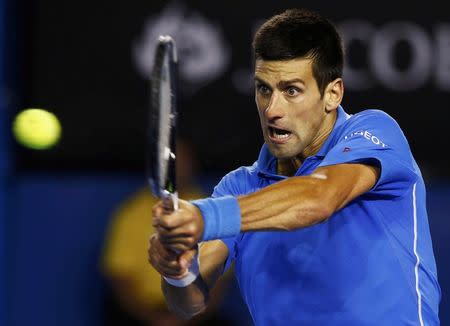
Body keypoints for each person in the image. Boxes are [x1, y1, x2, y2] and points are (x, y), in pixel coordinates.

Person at [148, 8, 441, 325]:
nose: (273, 110)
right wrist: (177, 271)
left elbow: (319, 196)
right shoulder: (238, 188)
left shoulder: (375, 131)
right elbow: (189, 302)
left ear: (332, 94)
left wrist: (204, 216)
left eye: (291, 90)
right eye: (264, 89)